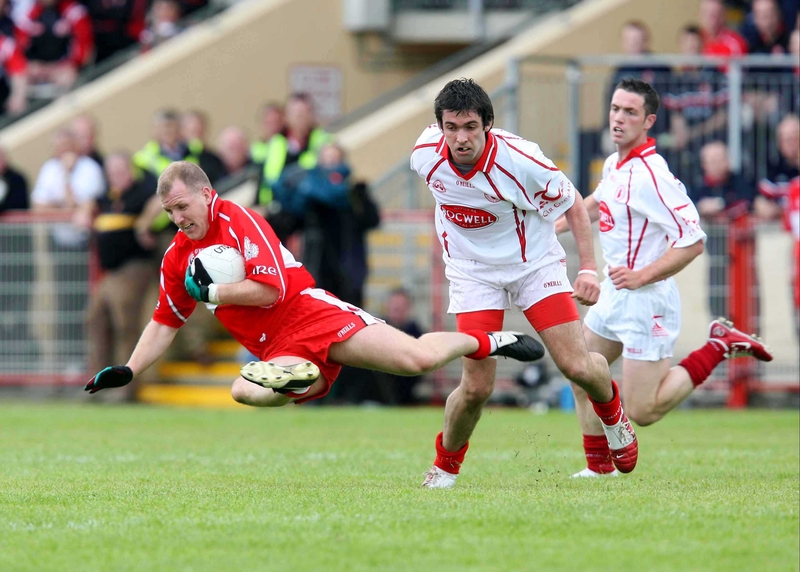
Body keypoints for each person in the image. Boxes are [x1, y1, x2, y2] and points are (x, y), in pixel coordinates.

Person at [84, 161, 547, 415]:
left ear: (207, 194)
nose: (179, 219)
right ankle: (302, 376)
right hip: (275, 348)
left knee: (415, 360)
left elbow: (269, 290)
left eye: (183, 206)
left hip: (310, 313)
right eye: (170, 213)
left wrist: (216, 293)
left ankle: (492, 340)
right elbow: (165, 321)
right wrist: (130, 369)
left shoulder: (241, 220)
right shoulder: (177, 256)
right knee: (243, 392)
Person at [410, 78, 638, 489]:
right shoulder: (424, 154)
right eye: (451, 128)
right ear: (439, 127)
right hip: (471, 272)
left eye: (470, 128)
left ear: (488, 126)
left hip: (532, 265)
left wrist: (588, 267)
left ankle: (612, 411)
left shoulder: (521, 160)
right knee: (477, 386)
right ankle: (444, 468)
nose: (460, 138)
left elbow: (572, 201)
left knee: (575, 365)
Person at [555, 78, 773, 478]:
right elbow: (600, 198)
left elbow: (693, 241)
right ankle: (599, 469)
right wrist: (558, 224)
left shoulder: (654, 176)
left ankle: (718, 347)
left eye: (630, 112)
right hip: (614, 294)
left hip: (647, 299)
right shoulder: (614, 163)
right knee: (580, 369)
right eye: (616, 109)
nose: (619, 118)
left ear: (649, 120)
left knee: (644, 410)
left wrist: (641, 276)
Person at [78, 152, 158, 401]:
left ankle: (128, 389)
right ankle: (98, 385)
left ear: (130, 170)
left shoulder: (141, 191)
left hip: (133, 267)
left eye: (121, 170)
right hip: (109, 273)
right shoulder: (106, 197)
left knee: (126, 325)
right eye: (112, 171)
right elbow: (89, 205)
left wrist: (144, 221)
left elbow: (158, 199)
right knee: (95, 320)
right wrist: (83, 211)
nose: (116, 175)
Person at [694, 140, 757, 318]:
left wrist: (719, 207)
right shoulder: (698, 187)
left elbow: (747, 205)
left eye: (719, 159)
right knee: (717, 300)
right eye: (711, 160)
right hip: (715, 257)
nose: (715, 164)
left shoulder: (739, 182)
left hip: (742, 257)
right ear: (704, 164)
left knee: (747, 304)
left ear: (728, 161)